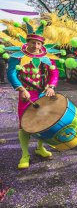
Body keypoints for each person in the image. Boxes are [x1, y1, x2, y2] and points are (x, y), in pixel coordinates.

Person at [7, 18, 59, 169]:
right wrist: (21, 89)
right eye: (32, 42)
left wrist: (51, 86)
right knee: (24, 125)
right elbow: (11, 73)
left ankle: (40, 147)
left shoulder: (48, 56)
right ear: (27, 42)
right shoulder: (16, 56)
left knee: (44, 123)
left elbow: (54, 73)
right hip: (26, 94)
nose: (35, 46)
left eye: (38, 43)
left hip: (44, 94)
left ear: (42, 44)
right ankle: (25, 154)